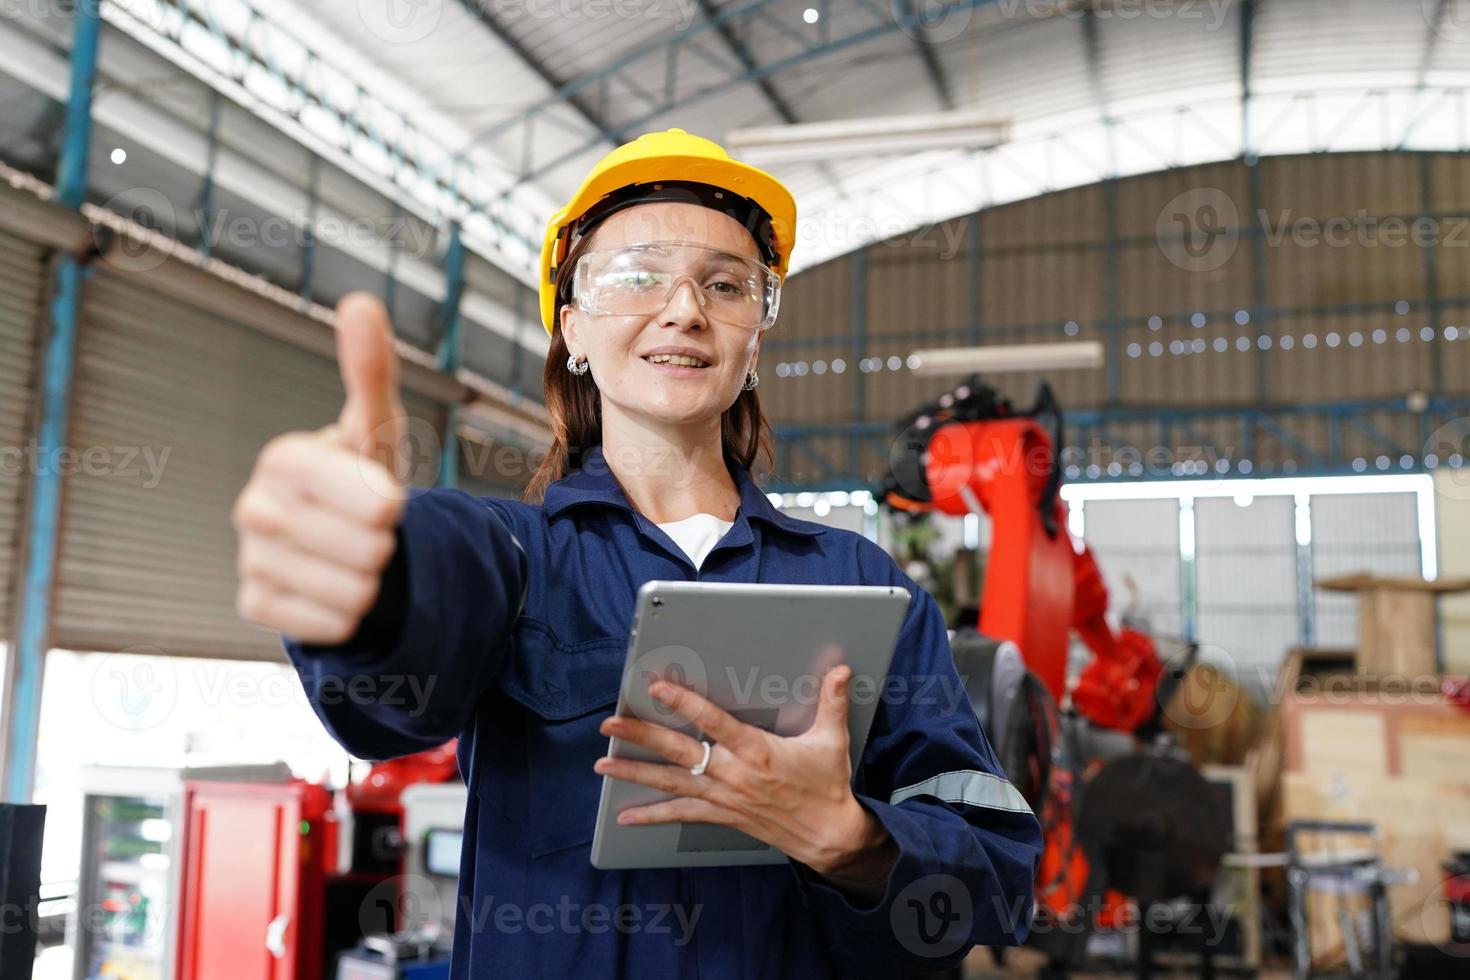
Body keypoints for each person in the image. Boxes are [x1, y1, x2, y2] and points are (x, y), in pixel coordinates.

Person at [232, 128, 1042, 979]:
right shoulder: (519, 557)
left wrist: (850, 840)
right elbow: (413, 644)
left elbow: (998, 879)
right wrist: (374, 577)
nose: (684, 309)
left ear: (752, 341)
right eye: (636, 275)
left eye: (725, 285)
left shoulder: (865, 587)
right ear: (572, 329)